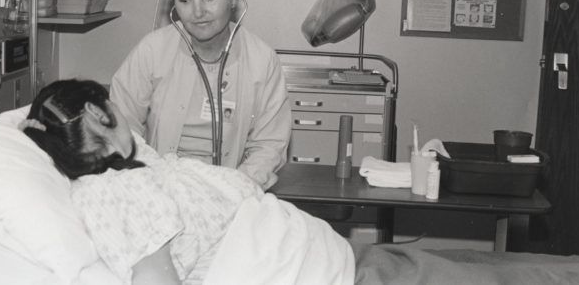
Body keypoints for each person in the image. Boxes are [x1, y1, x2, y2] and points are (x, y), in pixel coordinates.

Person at [20, 79, 354, 285]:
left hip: (308, 251)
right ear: (96, 112)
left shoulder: (131, 164)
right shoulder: (115, 192)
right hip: (301, 267)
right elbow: (156, 278)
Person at [110, 0, 292, 190]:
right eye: (184, 0)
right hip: (159, 188)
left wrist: (234, 190)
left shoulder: (262, 61)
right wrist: (149, 179)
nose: (197, 13)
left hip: (233, 191)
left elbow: (269, 145)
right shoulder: (152, 51)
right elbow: (122, 124)